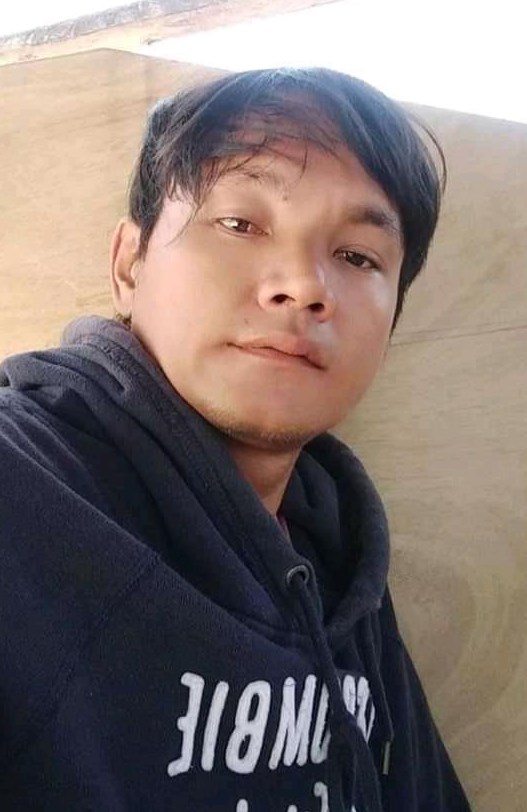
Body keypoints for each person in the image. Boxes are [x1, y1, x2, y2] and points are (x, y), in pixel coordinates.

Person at [0, 68, 471, 812]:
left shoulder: (342, 562)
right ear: (129, 264)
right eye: (240, 224)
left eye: (357, 256)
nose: (303, 286)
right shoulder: (24, 486)